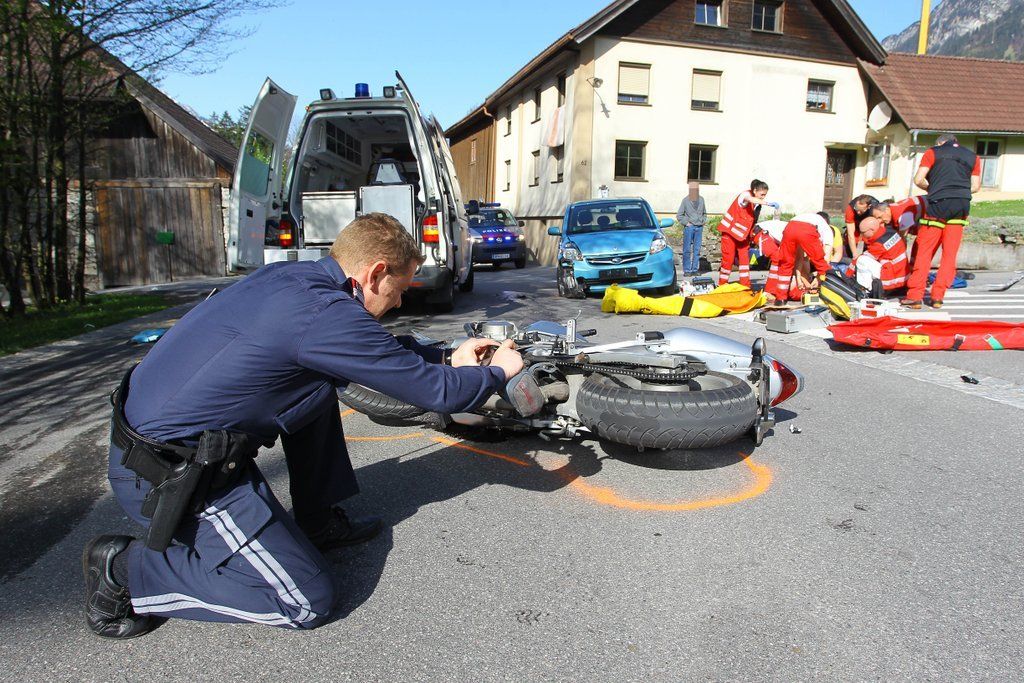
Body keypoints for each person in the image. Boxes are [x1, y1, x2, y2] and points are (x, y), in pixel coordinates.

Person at [83, 213, 524, 638]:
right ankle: (123, 571)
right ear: (375, 274)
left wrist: (445, 355)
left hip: (167, 445)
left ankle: (317, 522)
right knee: (303, 600)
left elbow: (371, 350)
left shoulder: (295, 280)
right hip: (172, 475)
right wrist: (498, 372)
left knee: (316, 384)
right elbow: (440, 394)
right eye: (400, 288)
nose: (400, 302)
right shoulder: (322, 314)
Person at [902, 134, 981, 309]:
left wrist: (934, 188)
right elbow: (975, 187)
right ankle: (938, 297)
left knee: (925, 251)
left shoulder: (932, 152)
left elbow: (918, 179)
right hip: (961, 206)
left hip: (938, 205)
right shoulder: (973, 157)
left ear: (939, 143)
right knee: (949, 255)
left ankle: (915, 296)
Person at [717, 179, 778, 287]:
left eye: (765, 195)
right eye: (762, 194)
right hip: (729, 233)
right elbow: (750, 199)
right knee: (728, 260)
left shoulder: (756, 205)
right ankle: (722, 284)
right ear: (754, 190)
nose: (763, 197)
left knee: (744, 260)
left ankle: (745, 285)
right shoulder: (745, 195)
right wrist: (768, 203)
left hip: (742, 236)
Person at [765, 212, 834, 304]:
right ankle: (832, 294)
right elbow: (825, 259)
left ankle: (780, 299)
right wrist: (818, 279)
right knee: (821, 263)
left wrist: (798, 278)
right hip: (806, 229)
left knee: (785, 263)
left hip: (789, 227)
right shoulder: (827, 230)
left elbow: (799, 257)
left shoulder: (809, 219)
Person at [846, 216, 909, 295]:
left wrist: (847, 275)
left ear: (872, 230)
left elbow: (858, 259)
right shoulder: (890, 232)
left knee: (861, 260)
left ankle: (865, 290)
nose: (861, 235)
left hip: (892, 278)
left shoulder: (879, 243)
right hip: (902, 274)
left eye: (863, 232)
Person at [676, 181, 707, 275]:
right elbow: (679, 215)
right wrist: (686, 223)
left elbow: (704, 213)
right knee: (687, 250)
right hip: (689, 228)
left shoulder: (701, 199)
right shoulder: (685, 200)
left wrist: (703, 220)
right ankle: (687, 270)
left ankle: (694, 270)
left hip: (699, 227)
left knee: (697, 250)